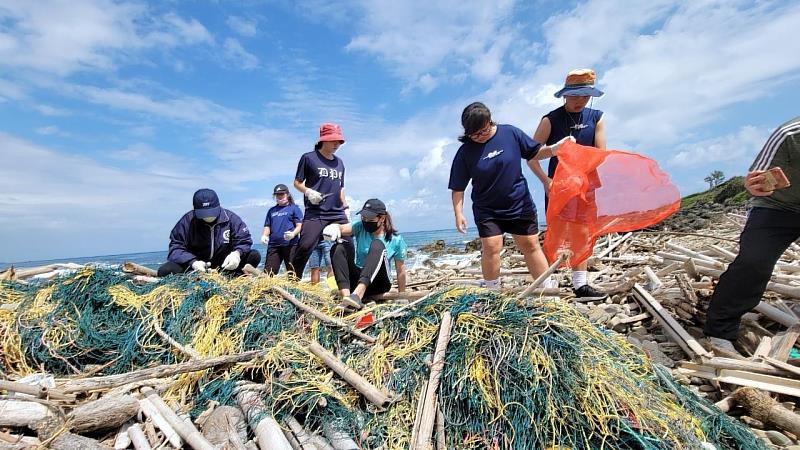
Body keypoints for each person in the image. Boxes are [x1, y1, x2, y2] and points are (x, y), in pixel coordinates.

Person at [448, 102, 572, 290]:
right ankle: (492, 290)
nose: (479, 138)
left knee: (530, 244)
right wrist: (459, 213)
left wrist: (555, 149)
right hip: (487, 208)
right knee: (491, 246)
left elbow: (535, 152)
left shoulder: (510, 133)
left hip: (518, 202)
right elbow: (458, 187)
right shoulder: (465, 152)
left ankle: (545, 287)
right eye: (473, 135)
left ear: (490, 122)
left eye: (482, 132)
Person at [704, 117, 800, 353]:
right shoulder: (790, 134)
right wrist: (756, 184)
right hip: (777, 207)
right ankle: (720, 330)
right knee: (754, 261)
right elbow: (756, 180)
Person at [530, 68, 608, 299]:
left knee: (583, 232)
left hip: (585, 186)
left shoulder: (597, 117)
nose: (580, 101)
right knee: (556, 231)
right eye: (575, 96)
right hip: (558, 188)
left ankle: (580, 284)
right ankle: (550, 283)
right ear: (565, 95)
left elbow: (600, 153)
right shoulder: (551, 119)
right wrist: (546, 181)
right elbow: (532, 155)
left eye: (585, 96)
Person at [290, 123, 353, 278]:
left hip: (337, 212)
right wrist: (308, 191)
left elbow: (341, 188)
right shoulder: (308, 158)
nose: (336, 144)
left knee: (349, 245)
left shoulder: (340, 163)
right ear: (323, 140)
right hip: (316, 212)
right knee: (305, 246)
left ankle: (350, 281)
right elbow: (296, 183)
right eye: (333, 141)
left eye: (339, 141)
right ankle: (291, 280)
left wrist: (346, 208)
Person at [323, 198, 407, 309]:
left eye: (369, 218)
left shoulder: (396, 240)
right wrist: (334, 228)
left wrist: (402, 295)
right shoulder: (360, 227)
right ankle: (347, 299)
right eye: (363, 217)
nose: (365, 221)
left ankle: (357, 295)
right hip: (357, 279)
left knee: (377, 245)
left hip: (379, 283)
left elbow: (400, 271)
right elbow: (342, 228)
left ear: (382, 218)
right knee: (337, 248)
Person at [158, 188, 260, 276]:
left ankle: (232, 276)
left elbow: (244, 240)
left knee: (254, 256)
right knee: (165, 270)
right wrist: (192, 262)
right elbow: (175, 248)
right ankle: (195, 276)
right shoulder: (187, 222)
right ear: (195, 209)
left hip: (224, 264)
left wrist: (236, 253)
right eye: (203, 213)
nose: (208, 216)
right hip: (197, 266)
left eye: (211, 212)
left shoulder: (231, 219)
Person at [261, 184, 303, 275]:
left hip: (291, 245)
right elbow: (267, 226)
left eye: (282, 194)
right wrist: (264, 235)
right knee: (268, 273)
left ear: (287, 194)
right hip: (274, 246)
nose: (279, 196)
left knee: (293, 273)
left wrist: (293, 234)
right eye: (277, 194)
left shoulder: (294, 208)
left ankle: (293, 289)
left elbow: (299, 226)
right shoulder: (271, 211)